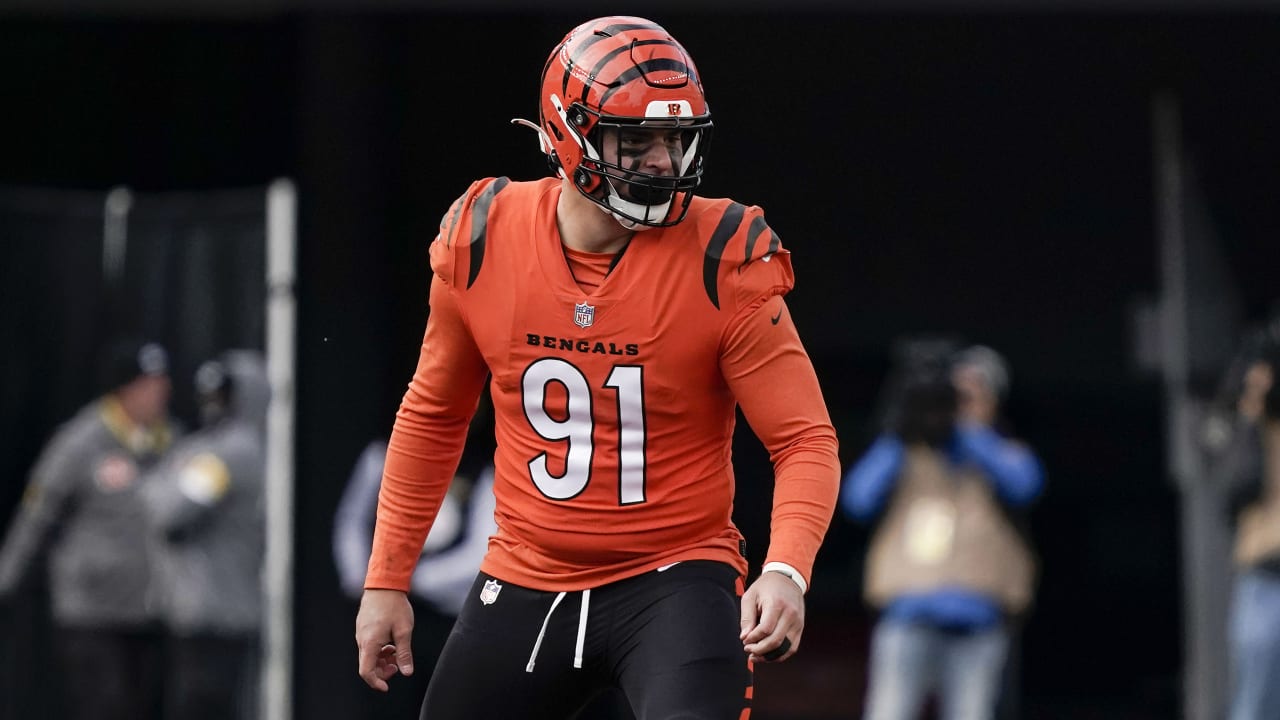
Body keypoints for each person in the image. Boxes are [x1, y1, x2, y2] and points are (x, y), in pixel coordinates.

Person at [354, 15, 841, 720]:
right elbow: (434, 417)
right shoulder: (483, 237)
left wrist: (787, 568)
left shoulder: (723, 255)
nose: (659, 162)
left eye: (674, 140)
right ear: (567, 131)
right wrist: (386, 580)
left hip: (675, 575)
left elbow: (804, 439)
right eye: (635, 139)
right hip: (527, 571)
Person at [841, 343, 1043, 720]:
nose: (960, 404)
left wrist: (966, 432)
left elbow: (1026, 485)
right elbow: (856, 500)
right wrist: (903, 429)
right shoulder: (906, 451)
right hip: (907, 614)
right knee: (890, 711)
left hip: (979, 621)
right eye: (954, 395)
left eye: (971, 394)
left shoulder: (1002, 451)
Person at [0, 337, 178, 720]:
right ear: (124, 390)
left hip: (151, 607)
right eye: (148, 386)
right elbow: (37, 513)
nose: (157, 395)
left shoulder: (171, 442)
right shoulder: (80, 441)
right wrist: (7, 578)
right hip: (90, 610)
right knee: (103, 707)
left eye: (162, 386)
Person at [141, 349, 269, 720]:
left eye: (222, 396)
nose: (213, 406)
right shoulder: (212, 448)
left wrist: (162, 476)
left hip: (216, 609)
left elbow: (169, 510)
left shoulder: (230, 453)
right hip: (203, 608)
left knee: (203, 706)